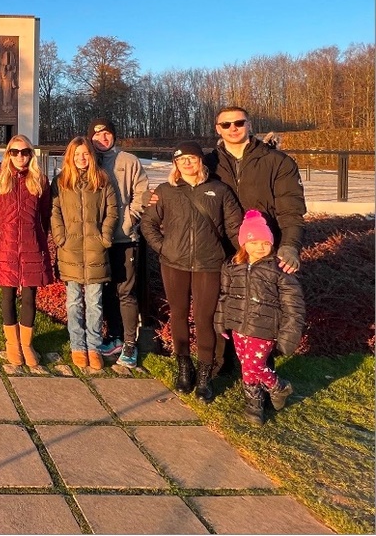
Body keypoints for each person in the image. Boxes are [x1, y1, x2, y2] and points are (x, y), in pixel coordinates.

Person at [141, 141, 242, 402]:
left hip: (209, 265)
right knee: (178, 315)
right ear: (175, 164)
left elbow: (234, 228)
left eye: (191, 158)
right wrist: (164, 248)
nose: (187, 163)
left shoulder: (220, 190)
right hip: (174, 264)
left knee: (204, 318)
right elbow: (148, 223)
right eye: (181, 159)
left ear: (201, 161)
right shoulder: (166, 191)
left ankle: (205, 376)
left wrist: (240, 254)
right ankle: (184, 367)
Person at [215, 210, 305, 425]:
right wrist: (221, 321)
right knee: (246, 365)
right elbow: (225, 296)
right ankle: (254, 401)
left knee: (254, 367)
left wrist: (288, 336)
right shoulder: (232, 266)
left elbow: (294, 305)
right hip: (238, 326)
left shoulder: (278, 269)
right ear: (244, 243)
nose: (260, 247)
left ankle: (278, 386)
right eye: (254, 242)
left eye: (265, 243)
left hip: (264, 329)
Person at [0, 134, 55, 368]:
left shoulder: (39, 181)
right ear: (8, 154)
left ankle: (26, 343)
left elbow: (46, 214)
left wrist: (40, 237)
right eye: (15, 152)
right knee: (8, 296)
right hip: (6, 247)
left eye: (25, 152)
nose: (20, 156)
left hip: (31, 246)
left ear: (31, 154)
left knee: (31, 297)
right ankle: (12, 344)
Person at [205, 106, 306, 274]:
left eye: (239, 122)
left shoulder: (278, 162)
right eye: (226, 124)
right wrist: (153, 198)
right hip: (221, 249)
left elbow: (291, 209)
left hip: (263, 248)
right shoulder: (208, 164)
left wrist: (290, 245)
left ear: (249, 125)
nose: (233, 128)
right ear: (218, 129)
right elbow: (183, 193)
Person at [50, 137, 118, 371]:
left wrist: (105, 237)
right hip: (70, 249)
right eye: (77, 154)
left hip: (95, 249)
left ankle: (94, 346)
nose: (81, 158)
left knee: (94, 302)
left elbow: (112, 210)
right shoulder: (61, 181)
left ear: (91, 155)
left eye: (85, 154)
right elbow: (54, 211)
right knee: (73, 302)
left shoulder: (101, 179)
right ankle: (78, 346)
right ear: (70, 156)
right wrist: (60, 238)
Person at [88, 118, 149, 369]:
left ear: (114, 136)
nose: (103, 138)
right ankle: (113, 337)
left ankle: (129, 344)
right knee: (106, 290)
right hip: (98, 240)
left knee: (126, 291)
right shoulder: (90, 162)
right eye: (97, 134)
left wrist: (130, 219)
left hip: (124, 238)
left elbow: (142, 193)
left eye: (107, 134)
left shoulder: (129, 161)